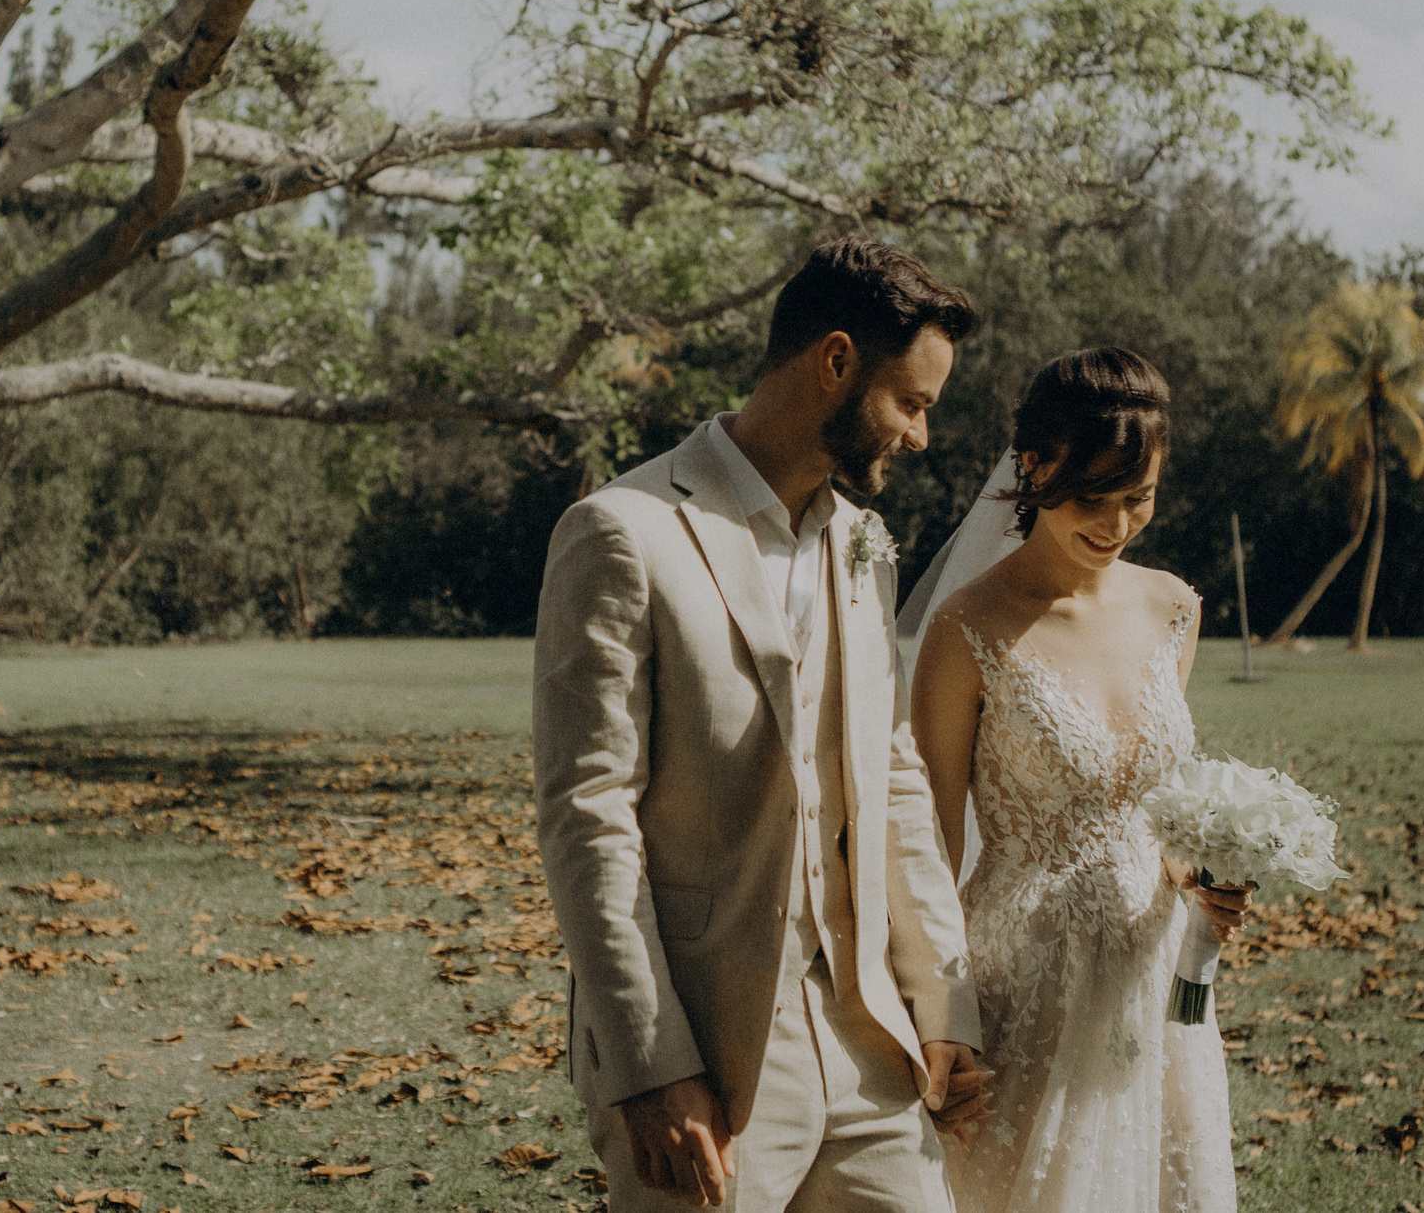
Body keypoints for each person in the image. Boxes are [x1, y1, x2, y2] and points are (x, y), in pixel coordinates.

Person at [533, 236, 992, 1213]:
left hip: (869, 1037)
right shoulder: (624, 530)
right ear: (834, 361)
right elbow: (588, 813)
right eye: (910, 402)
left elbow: (896, 778)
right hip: (710, 1049)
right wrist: (651, 1063)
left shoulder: (862, 543)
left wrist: (942, 1001)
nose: (920, 435)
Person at [908, 349, 1248, 1213]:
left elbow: (1155, 805)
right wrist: (937, 1020)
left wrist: (1199, 876)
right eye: (1092, 497)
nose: (1117, 523)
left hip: (1155, 976)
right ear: (1033, 467)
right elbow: (927, 847)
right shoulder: (965, 628)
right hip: (1025, 985)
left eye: (1139, 497)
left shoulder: (1175, 607)